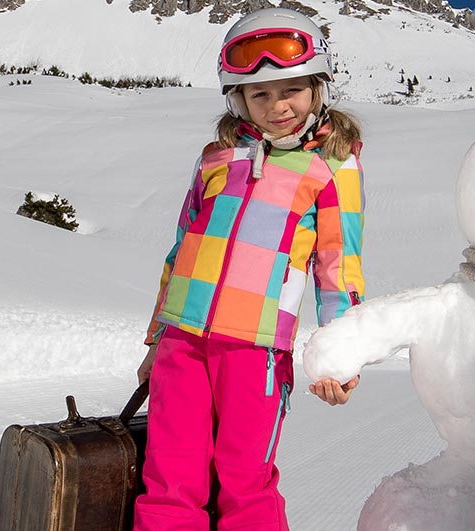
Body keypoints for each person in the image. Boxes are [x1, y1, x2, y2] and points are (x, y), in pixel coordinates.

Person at [133, 7, 366, 530]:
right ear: (238, 98)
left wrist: (343, 354)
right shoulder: (217, 157)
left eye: (290, 90)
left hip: (256, 349)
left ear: (317, 89)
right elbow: (179, 250)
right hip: (182, 342)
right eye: (259, 94)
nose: (277, 105)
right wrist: (156, 340)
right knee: (169, 479)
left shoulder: (331, 165)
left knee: (245, 480)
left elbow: (339, 267)